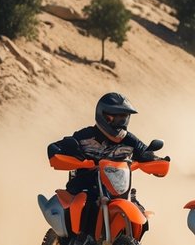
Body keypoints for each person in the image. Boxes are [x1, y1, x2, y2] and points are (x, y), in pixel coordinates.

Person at [47, 93, 159, 234]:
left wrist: (157, 160)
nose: (121, 121)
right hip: (85, 185)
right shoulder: (85, 135)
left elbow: (146, 153)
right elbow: (56, 148)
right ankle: (71, 244)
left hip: (118, 188)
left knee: (141, 215)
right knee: (84, 204)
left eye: (124, 117)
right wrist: (73, 155)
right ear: (103, 115)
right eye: (116, 117)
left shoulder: (130, 140)